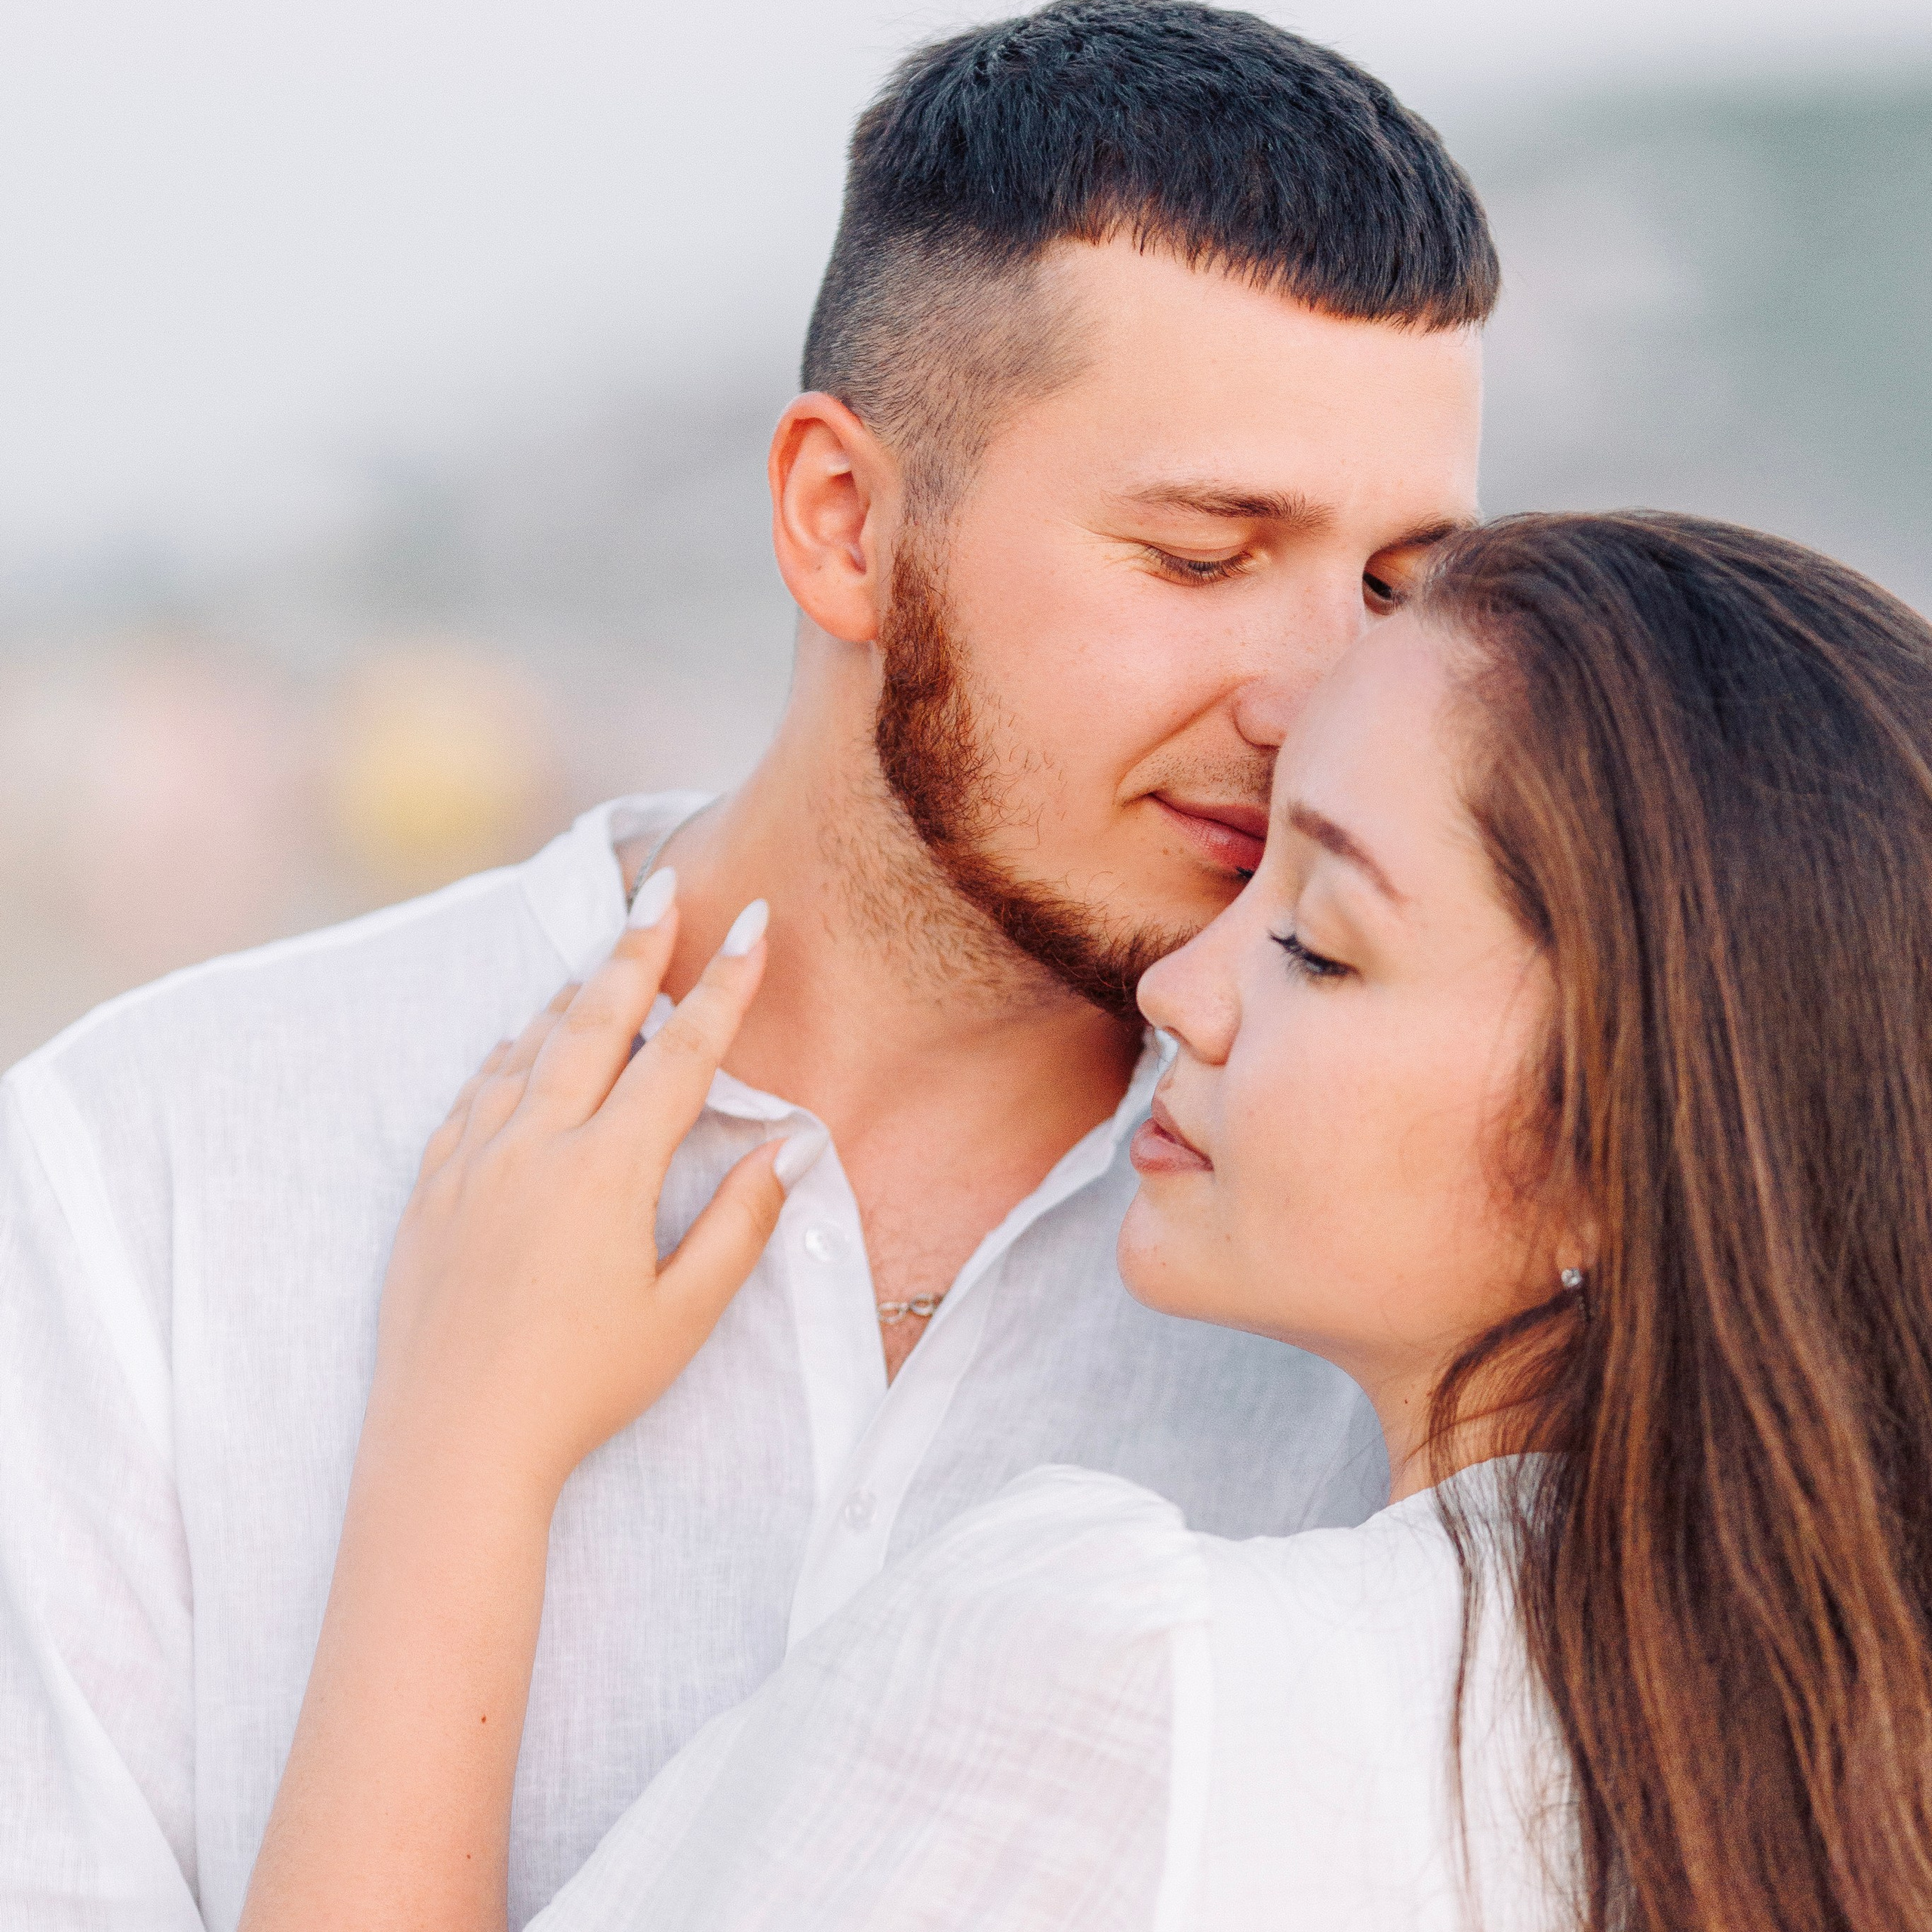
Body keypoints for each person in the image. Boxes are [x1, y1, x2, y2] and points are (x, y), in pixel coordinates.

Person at [0, 5, 1496, 1925]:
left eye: (1391, 588)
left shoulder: (1405, 1285)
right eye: (1202, 556)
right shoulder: (139, 1186)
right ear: (842, 522)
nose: (1311, 702)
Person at [241, 510, 1932, 1932]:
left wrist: (461, 1443)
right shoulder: (1822, 1773)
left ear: (1617, 1158)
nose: (1177, 984)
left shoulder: (1139, 1681)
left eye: (1319, 943)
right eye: (1242, 876)